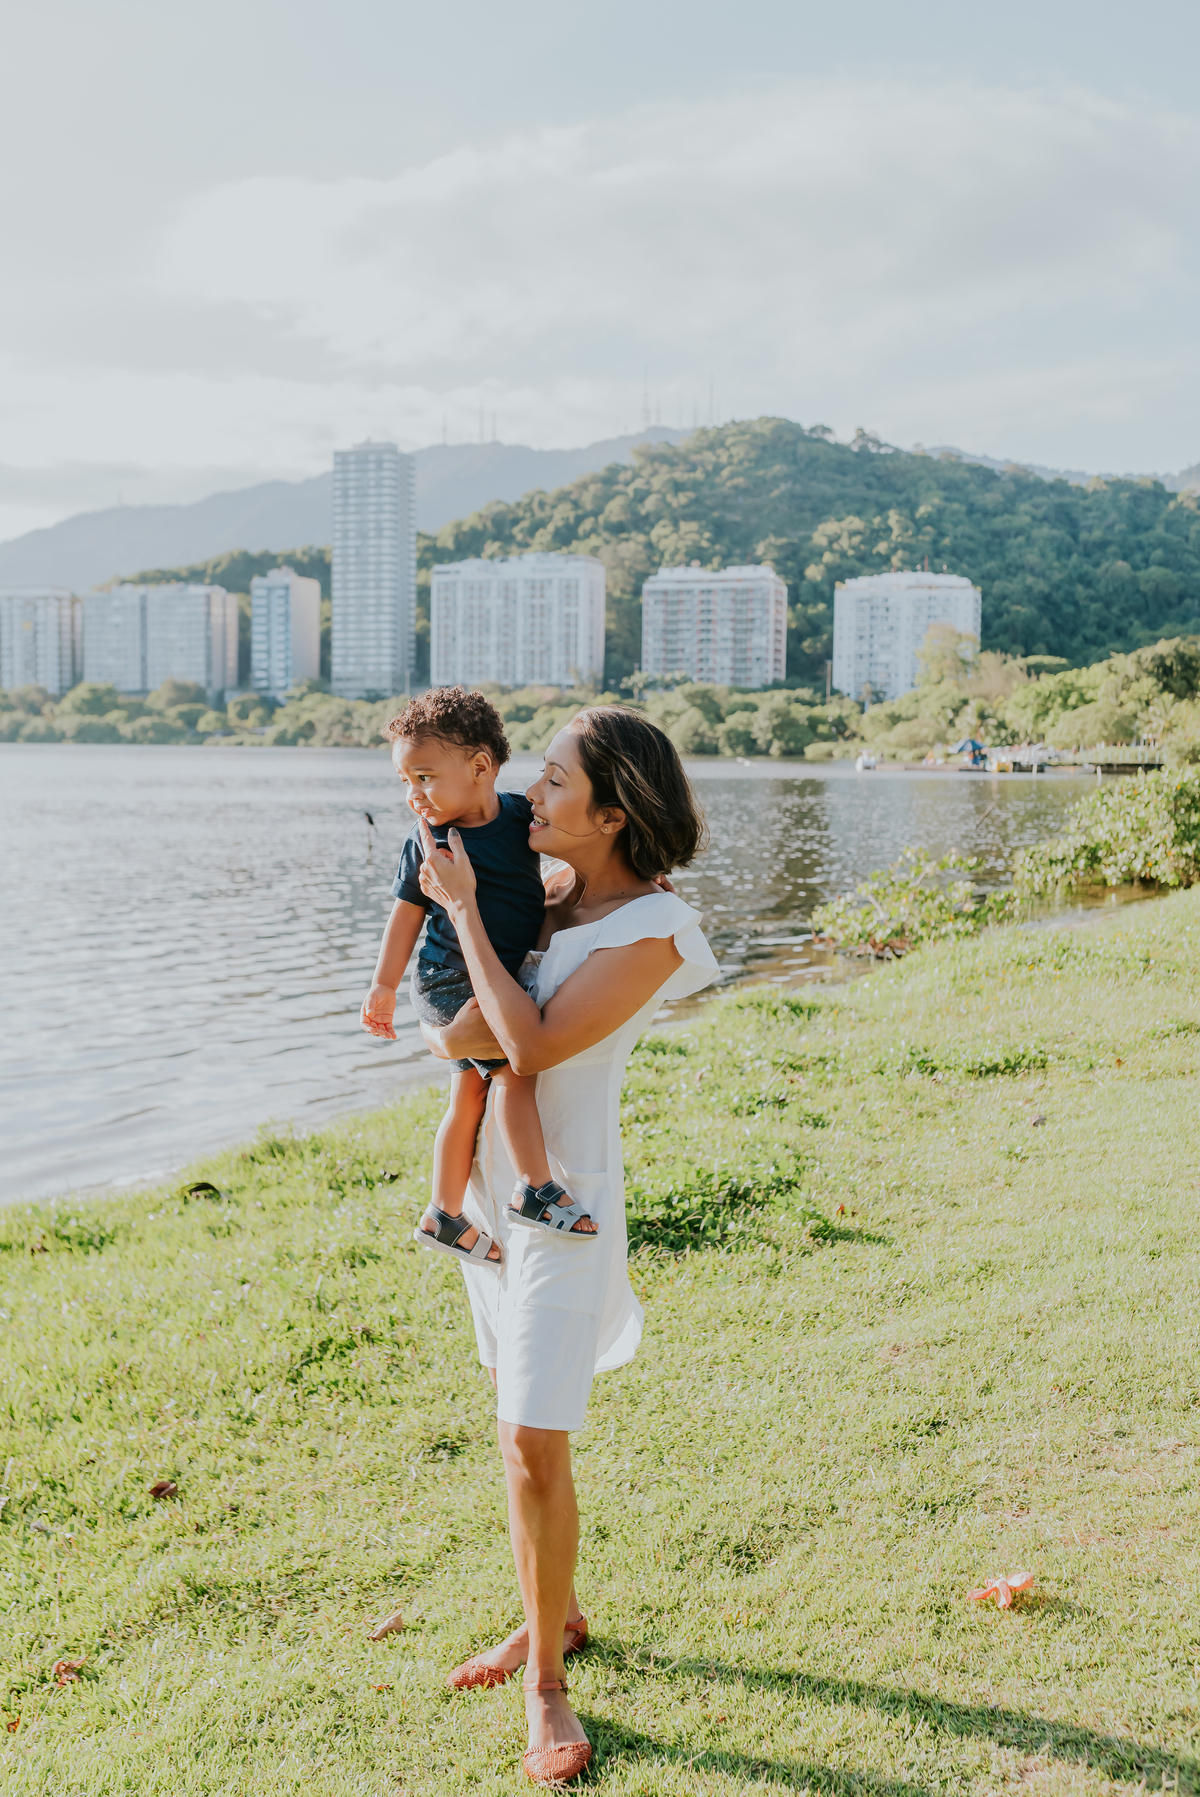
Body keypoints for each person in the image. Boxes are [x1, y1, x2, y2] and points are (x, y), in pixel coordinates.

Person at [414, 706, 717, 1786]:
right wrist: (465, 933)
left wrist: (462, 915)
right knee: (513, 1429)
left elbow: (527, 1041)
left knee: (535, 1439)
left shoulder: (655, 934)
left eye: (550, 783)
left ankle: (545, 1684)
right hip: (496, 1196)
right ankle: (559, 1615)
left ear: (613, 808)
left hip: (566, 1200)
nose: (528, 799)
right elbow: (454, 1035)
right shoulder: (539, 899)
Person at [360, 688, 597, 1268]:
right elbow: (406, 916)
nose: (414, 795)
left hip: (489, 974)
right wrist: (384, 986)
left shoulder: (520, 816)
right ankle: (535, 1188)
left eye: (424, 778)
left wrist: (644, 874)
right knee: (517, 1070)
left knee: (468, 1094)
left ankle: (444, 1212)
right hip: (450, 980)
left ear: (481, 767)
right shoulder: (430, 844)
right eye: (405, 782)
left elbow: (579, 846)